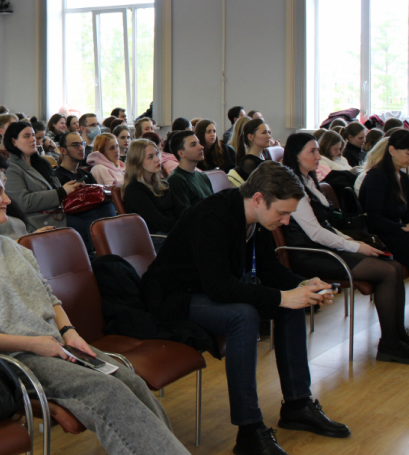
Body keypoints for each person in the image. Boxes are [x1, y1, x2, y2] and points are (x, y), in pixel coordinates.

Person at [0, 167, 188, 454]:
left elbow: (50, 299)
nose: (8, 199)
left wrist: (70, 332)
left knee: (130, 381)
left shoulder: (14, 248)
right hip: (11, 361)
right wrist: (35, 344)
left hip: (56, 345)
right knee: (109, 392)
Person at [142, 162, 350, 455]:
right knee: (244, 315)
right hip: (174, 298)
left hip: (207, 291)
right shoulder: (212, 216)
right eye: (283, 213)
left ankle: (297, 404)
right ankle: (249, 430)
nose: (287, 221)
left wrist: (304, 285)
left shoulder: (259, 219)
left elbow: (270, 269)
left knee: (291, 301)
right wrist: (282, 297)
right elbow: (219, 287)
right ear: (258, 199)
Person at [281, 133, 409, 361]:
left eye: (318, 150)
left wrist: (352, 242)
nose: (318, 156)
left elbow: (327, 225)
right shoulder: (294, 187)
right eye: (312, 151)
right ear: (296, 156)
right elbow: (316, 233)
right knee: (389, 270)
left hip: (326, 248)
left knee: (395, 267)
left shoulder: (309, 180)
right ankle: (389, 344)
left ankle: (398, 335)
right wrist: (355, 248)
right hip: (310, 254)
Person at [4, 121, 80, 230]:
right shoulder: (11, 168)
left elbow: (55, 189)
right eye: (27, 136)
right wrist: (61, 192)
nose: (33, 139)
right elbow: (23, 203)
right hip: (40, 220)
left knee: (98, 211)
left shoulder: (42, 163)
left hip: (59, 212)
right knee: (89, 224)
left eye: (33, 135)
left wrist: (70, 188)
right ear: (14, 142)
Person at [358, 129, 409, 269]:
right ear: (392, 150)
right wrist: (404, 228)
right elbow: (374, 220)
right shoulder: (377, 177)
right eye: (408, 153)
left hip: (396, 232)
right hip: (382, 236)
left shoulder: (403, 178)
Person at [121, 138, 186, 236]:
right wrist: (183, 225)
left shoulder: (163, 184)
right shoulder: (134, 190)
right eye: (150, 157)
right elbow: (160, 223)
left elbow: (181, 210)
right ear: (137, 161)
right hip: (157, 238)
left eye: (157, 154)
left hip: (174, 231)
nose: (157, 159)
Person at [167, 130, 213, 208]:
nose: (201, 147)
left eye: (198, 143)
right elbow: (186, 215)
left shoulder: (203, 176)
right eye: (194, 145)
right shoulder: (176, 180)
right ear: (181, 153)